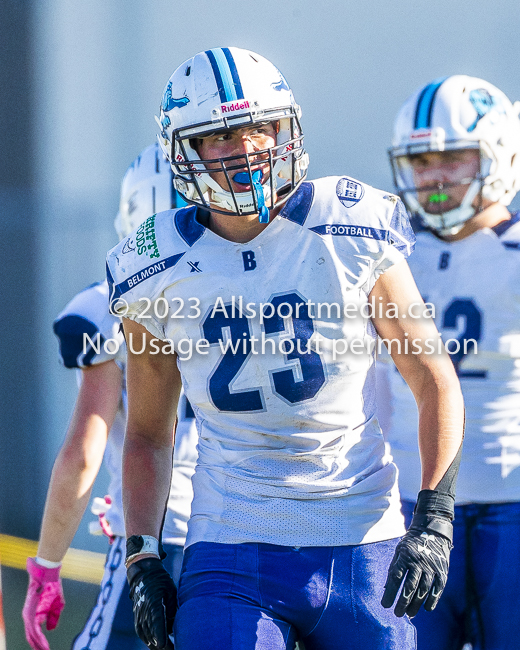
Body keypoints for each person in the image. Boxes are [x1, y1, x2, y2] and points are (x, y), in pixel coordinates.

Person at [106, 47, 465, 650]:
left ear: (288, 126)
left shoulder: (348, 223)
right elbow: (148, 432)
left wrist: (434, 519)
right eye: (221, 136)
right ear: (184, 151)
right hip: (231, 541)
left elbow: (433, 378)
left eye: (261, 127)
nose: (248, 147)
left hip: (360, 533)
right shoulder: (155, 263)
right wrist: (142, 557)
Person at [22, 143, 198, 650]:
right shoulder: (246, 293)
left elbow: (83, 454)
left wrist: (47, 567)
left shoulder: (105, 307)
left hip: (154, 540)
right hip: (243, 538)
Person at [384, 75, 520, 650]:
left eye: (454, 158)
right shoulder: (381, 249)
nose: (436, 178)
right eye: (422, 162)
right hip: (404, 510)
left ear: (500, 156)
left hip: (511, 503)